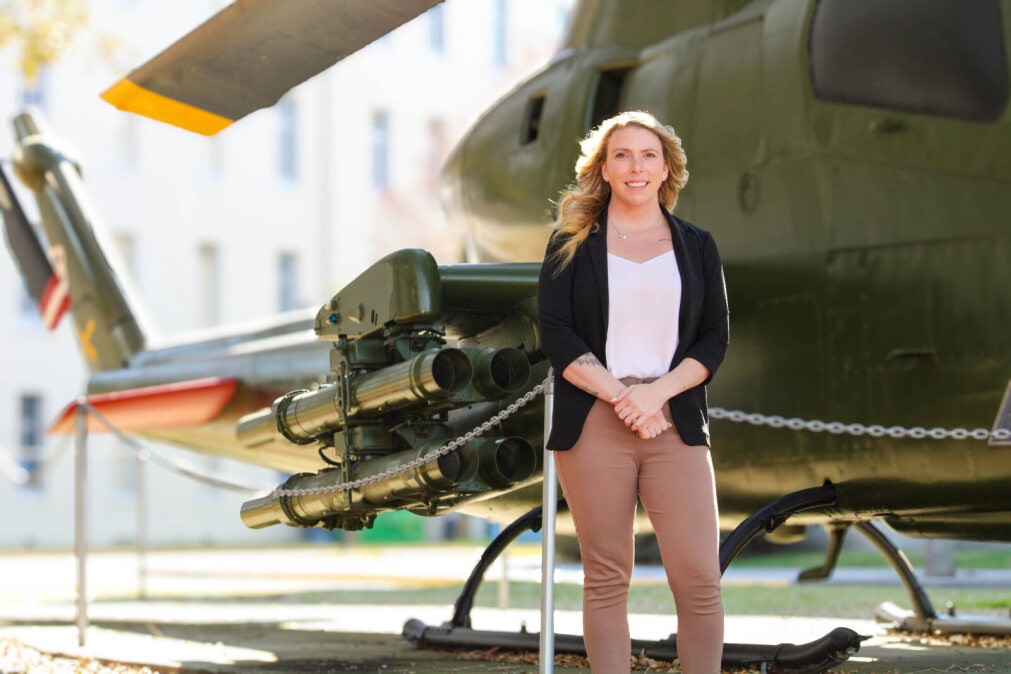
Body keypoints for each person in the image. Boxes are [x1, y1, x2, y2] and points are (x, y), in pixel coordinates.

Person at [537, 110, 729, 674]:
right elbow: (556, 333)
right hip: (595, 419)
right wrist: (624, 397)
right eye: (622, 155)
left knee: (699, 578)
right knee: (606, 576)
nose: (636, 166)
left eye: (648, 155)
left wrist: (657, 395)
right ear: (603, 168)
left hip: (675, 420)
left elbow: (714, 338)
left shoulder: (697, 245)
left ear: (667, 167)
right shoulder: (570, 244)